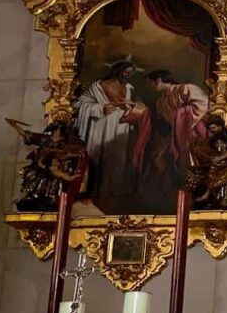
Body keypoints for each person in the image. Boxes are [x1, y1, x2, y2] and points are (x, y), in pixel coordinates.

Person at [74, 60, 150, 214]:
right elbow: (80, 104)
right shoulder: (99, 86)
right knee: (100, 157)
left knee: (120, 160)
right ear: (118, 70)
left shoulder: (129, 88)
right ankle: (96, 193)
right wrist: (101, 107)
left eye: (131, 73)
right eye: (126, 72)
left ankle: (114, 193)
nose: (128, 75)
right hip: (103, 126)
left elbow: (137, 105)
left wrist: (133, 106)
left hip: (123, 126)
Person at [141, 69, 209, 212]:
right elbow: (163, 123)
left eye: (151, 84)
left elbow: (202, 105)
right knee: (160, 158)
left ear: (159, 80)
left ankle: (196, 194)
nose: (152, 88)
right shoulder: (160, 102)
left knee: (192, 161)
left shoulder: (185, 89)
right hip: (175, 135)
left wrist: (182, 116)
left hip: (193, 131)